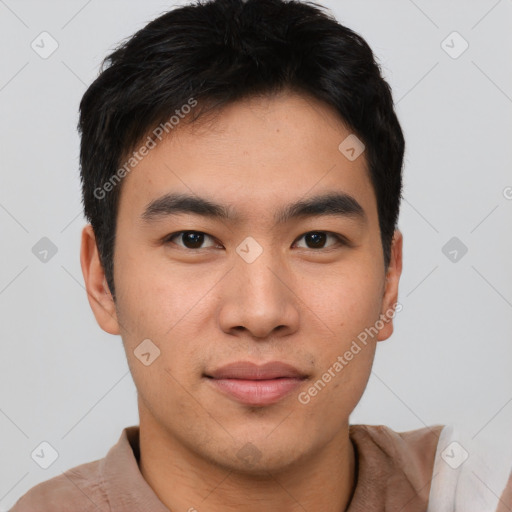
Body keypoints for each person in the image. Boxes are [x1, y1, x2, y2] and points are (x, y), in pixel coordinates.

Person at [10, 0, 512, 510]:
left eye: (316, 240)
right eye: (193, 239)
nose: (260, 312)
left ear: (389, 280)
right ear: (101, 280)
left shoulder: (479, 493)